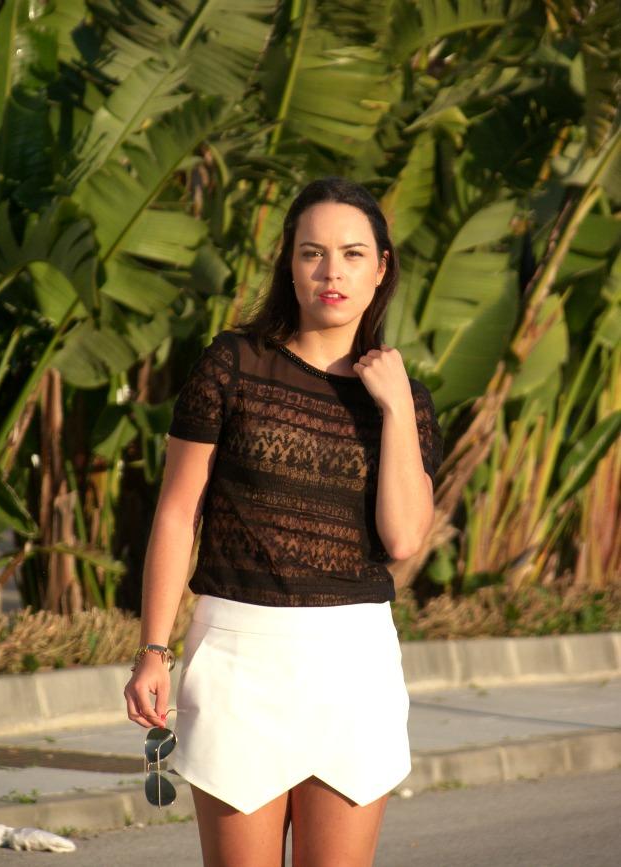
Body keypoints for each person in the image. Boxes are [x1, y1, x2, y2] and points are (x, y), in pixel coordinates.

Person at [124, 176, 443, 867]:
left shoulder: (404, 399)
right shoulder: (233, 364)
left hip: (353, 665)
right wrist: (154, 649)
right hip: (240, 658)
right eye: (312, 253)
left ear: (382, 267)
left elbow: (404, 537)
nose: (332, 272)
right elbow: (178, 512)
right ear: (289, 264)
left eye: (353, 254)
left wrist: (391, 407)